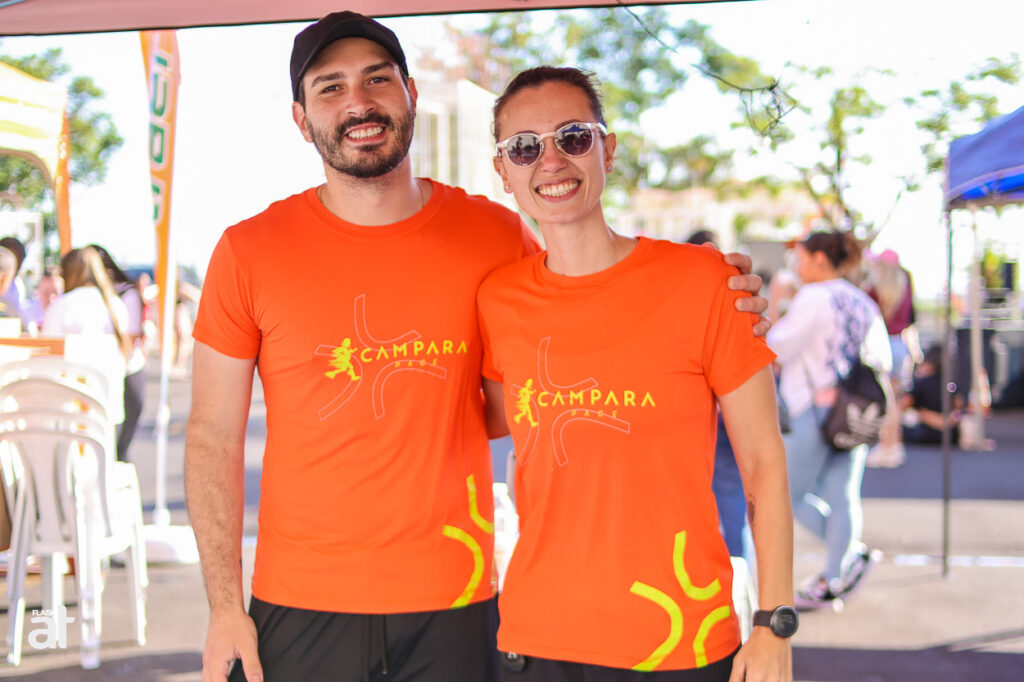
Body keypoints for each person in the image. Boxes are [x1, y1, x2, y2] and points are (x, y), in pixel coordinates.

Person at [185, 13, 771, 682]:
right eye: (331, 87)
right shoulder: (249, 251)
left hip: (459, 600)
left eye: (377, 79)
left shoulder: (496, 235)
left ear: (410, 93)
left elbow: (587, 316)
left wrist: (718, 292)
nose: (359, 102)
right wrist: (224, 607)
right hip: (299, 601)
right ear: (300, 118)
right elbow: (210, 436)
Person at [479, 67, 793, 681]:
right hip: (538, 636)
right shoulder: (497, 299)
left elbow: (763, 461)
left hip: (677, 636)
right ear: (503, 170)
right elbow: (496, 428)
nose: (550, 160)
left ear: (608, 150)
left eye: (573, 136)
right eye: (524, 147)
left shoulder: (706, 283)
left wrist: (774, 624)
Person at [766, 231, 891, 610]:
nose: (796, 266)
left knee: (786, 493)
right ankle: (836, 573)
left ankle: (847, 559)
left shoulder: (813, 297)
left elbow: (775, 348)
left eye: (800, 258)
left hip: (814, 409)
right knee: (844, 495)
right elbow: (884, 359)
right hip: (855, 410)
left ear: (820, 259)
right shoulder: (862, 301)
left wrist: (776, 301)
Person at [685, 229, 755, 567]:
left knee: (707, 497)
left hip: (705, 419)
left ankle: (735, 568)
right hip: (729, 414)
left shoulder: (677, 297)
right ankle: (740, 569)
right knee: (730, 500)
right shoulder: (731, 290)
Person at [90, 244, 148, 462]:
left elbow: (131, 337)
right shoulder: (91, 295)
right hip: (103, 373)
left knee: (120, 446)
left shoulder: (126, 293)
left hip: (127, 372)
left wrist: (115, 366)